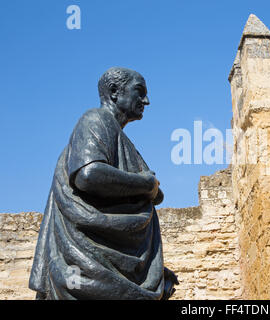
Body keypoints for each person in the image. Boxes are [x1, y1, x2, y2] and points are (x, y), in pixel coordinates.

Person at [29, 67, 178, 300]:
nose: (146, 101)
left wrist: (152, 268)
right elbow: (88, 174)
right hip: (87, 266)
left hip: (111, 262)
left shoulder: (121, 139)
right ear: (114, 92)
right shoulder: (94, 120)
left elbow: (152, 195)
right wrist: (145, 184)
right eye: (139, 92)